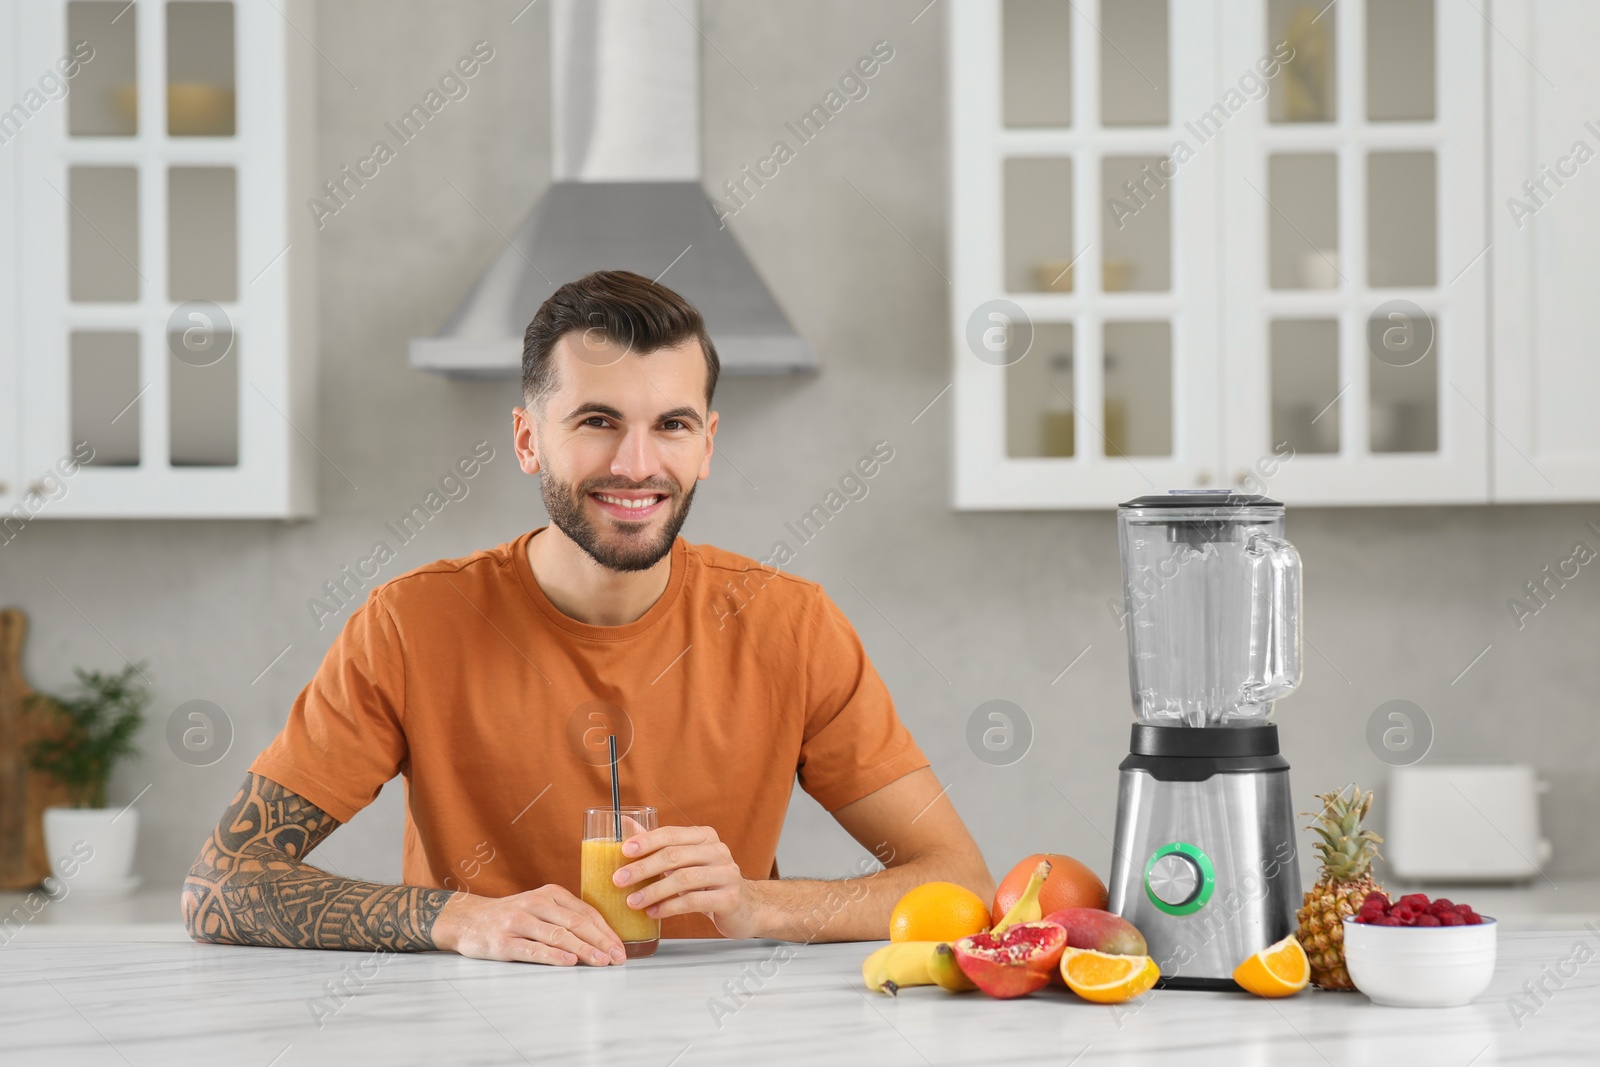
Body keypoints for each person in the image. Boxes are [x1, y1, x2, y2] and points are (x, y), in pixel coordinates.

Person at [181, 270, 992, 965]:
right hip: (476, 1031)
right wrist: (460, 918)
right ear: (529, 439)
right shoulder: (412, 623)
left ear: (706, 445)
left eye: (670, 425)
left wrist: (759, 904)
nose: (636, 465)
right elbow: (222, 882)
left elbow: (958, 881)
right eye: (598, 421)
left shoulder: (793, 626)